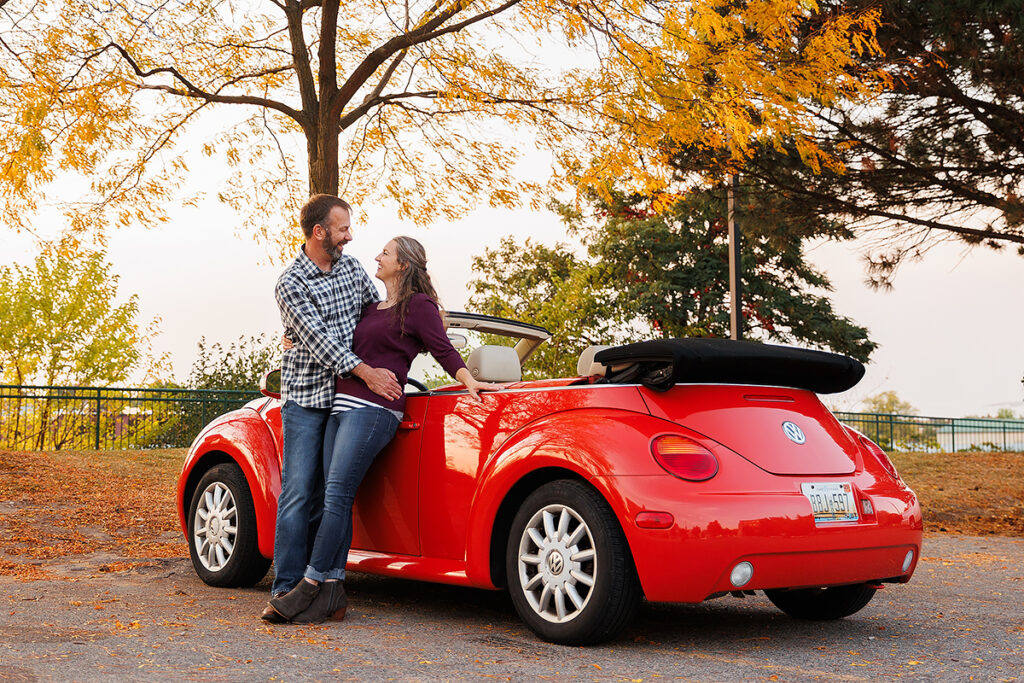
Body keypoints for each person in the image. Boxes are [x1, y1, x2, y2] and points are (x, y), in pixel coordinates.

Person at [264, 236, 502, 624]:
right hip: (338, 406)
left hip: (374, 410)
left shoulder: (418, 306)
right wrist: (293, 337)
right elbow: (329, 333)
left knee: (338, 496)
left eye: (386, 253)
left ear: (403, 265)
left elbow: (442, 348)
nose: (377, 255)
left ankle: (308, 584)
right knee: (331, 499)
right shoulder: (371, 307)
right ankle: (332, 592)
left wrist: (468, 379)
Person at [265, 195, 402, 623]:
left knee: (335, 497)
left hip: (348, 400)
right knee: (299, 494)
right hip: (307, 401)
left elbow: (373, 315)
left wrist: (420, 314)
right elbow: (320, 341)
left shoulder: (353, 269)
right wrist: (367, 371)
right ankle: (287, 588)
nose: (350, 235)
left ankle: (329, 590)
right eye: (342, 229)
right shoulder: (290, 283)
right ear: (320, 232)